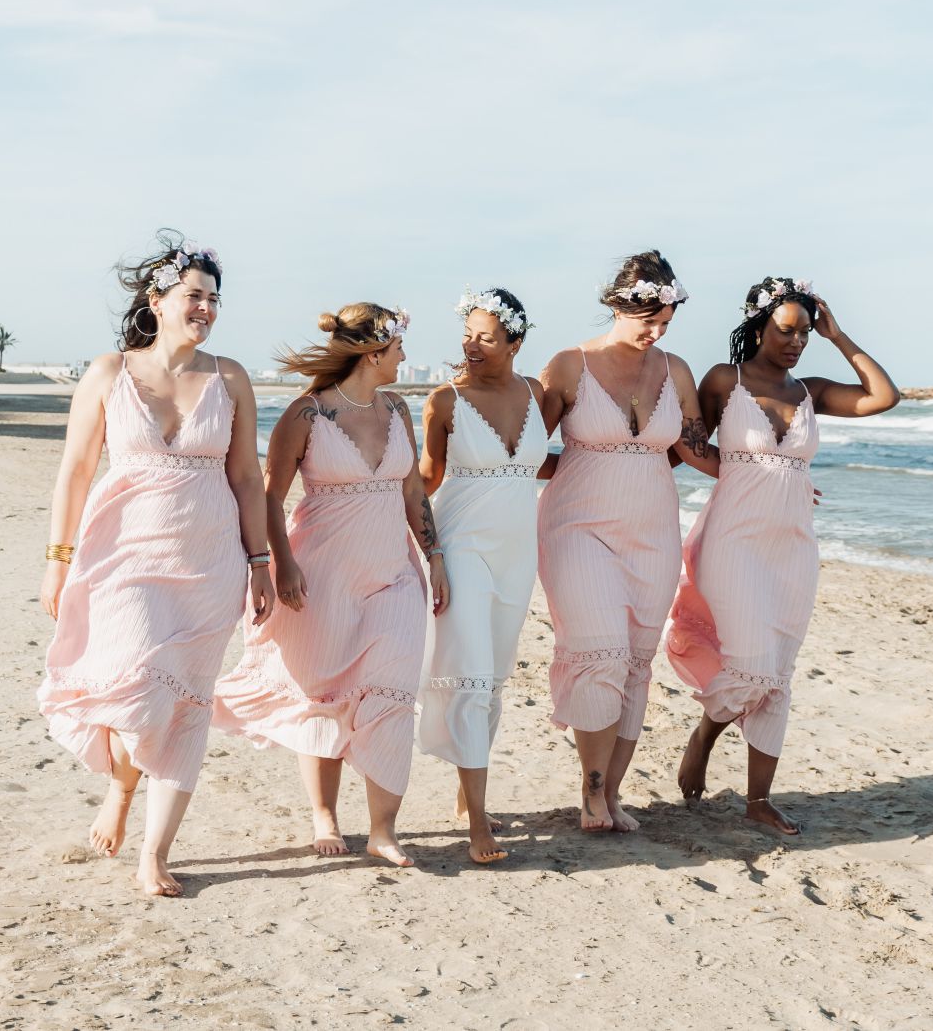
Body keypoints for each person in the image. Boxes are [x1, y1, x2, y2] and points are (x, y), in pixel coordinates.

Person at [38, 234, 273, 897]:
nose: (205, 307)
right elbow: (76, 471)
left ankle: (155, 852)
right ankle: (119, 784)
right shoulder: (110, 372)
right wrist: (58, 561)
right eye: (194, 295)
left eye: (213, 299)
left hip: (209, 563)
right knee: (135, 683)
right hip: (124, 558)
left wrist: (260, 562)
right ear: (158, 299)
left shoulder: (229, 378)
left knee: (186, 705)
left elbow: (248, 478)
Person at [214, 304, 448, 869]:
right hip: (322, 573)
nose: (405, 357)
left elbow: (412, 492)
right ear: (374, 353)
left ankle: (384, 830)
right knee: (325, 696)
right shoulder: (306, 414)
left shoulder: (397, 408)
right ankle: (324, 814)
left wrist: (434, 554)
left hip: (393, 574)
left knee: (391, 693)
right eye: (398, 349)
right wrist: (279, 564)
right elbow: (270, 496)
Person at [666, 278, 899, 834]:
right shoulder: (727, 380)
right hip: (734, 539)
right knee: (751, 663)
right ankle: (705, 735)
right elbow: (685, 441)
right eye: (786, 330)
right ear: (758, 326)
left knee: (778, 671)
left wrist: (839, 336)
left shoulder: (810, 390)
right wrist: (755, 474)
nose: (797, 341)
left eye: (805, 333)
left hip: (792, 545)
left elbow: (883, 398)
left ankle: (757, 800)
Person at [537, 250, 717, 832]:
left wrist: (770, 471)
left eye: (666, 323)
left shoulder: (677, 369)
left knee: (636, 659)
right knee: (599, 652)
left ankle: (612, 795)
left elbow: (693, 448)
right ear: (619, 305)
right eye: (649, 321)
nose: (657, 333)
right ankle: (590, 793)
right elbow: (523, 448)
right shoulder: (568, 365)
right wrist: (579, 468)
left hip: (653, 528)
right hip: (577, 524)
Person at [418, 286, 549, 865]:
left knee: (492, 680)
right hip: (463, 543)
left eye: (486, 337)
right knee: (470, 675)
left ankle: (465, 787)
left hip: (520, 553)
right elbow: (423, 479)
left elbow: (548, 462)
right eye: (467, 333)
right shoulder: (444, 401)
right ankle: (478, 824)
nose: (471, 345)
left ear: (516, 343)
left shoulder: (539, 394)